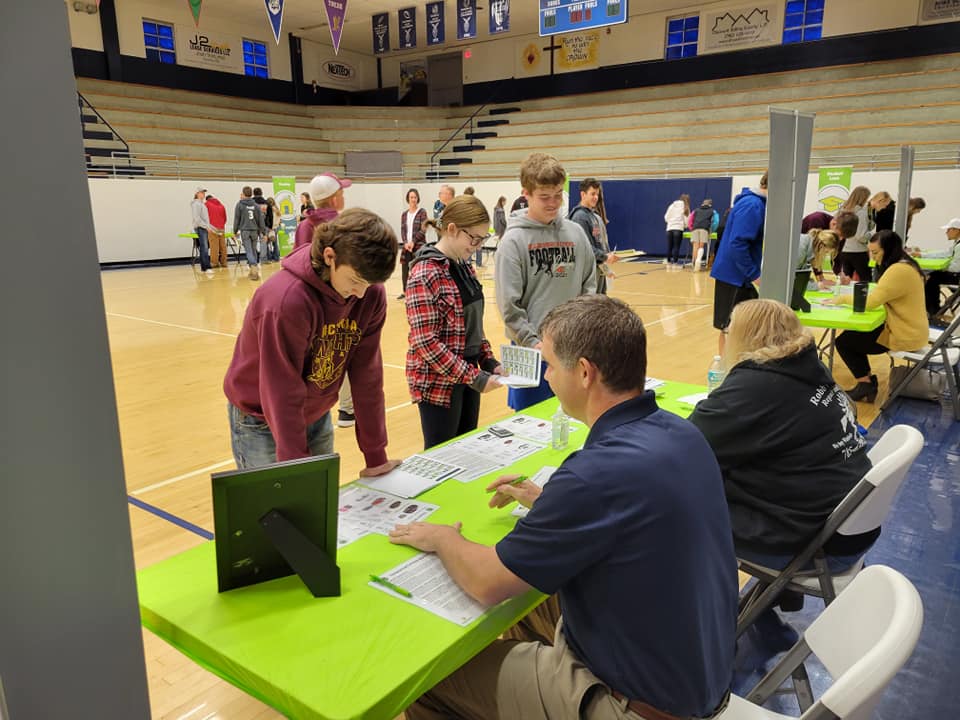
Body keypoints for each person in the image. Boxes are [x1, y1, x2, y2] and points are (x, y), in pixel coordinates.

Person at [392, 295, 737, 720]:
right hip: (701, 675)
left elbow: (487, 582)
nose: (548, 377)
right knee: (532, 608)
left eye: (551, 366)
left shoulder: (593, 475)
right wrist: (548, 502)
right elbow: (633, 518)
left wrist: (444, 538)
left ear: (586, 372)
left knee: (431, 682)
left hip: (638, 704)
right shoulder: (680, 432)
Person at [689, 299, 876, 574]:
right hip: (849, 523)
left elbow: (689, 442)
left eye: (729, 331)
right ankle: (756, 615)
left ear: (743, 337)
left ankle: (715, 615)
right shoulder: (808, 365)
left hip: (815, 543)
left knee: (676, 502)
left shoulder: (757, 387)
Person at [223, 208, 401, 476]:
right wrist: (297, 468)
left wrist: (375, 455)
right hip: (260, 420)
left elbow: (367, 374)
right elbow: (281, 390)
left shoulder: (370, 293)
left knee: (318, 504)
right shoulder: (285, 301)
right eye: (355, 281)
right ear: (330, 256)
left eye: (369, 284)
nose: (361, 294)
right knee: (278, 510)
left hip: (315, 413)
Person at [495, 153, 597, 411]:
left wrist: (581, 331)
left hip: (573, 350)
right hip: (532, 353)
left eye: (558, 195)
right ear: (525, 194)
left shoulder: (575, 233)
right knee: (530, 427)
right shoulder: (513, 241)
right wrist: (535, 343)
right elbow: (509, 305)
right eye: (544, 197)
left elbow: (589, 285)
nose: (553, 203)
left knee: (574, 424)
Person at [405, 196, 504, 449]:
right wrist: (474, 377)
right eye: (475, 238)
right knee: (442, 456)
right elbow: (426, 342)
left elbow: (473, 327)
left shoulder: (464, 267)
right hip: (439, 383)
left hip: (468, 376)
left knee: (466, 452)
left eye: (483, 239)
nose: (479, 245)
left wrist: (488, 360)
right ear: (451, 230)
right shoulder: (425, 272)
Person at [831, 230, 928, 402]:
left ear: (889, 250)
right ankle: (866, 382)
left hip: (905, 334)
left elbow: (871, 302)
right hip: (911, 329)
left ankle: (865, 384)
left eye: (875, 252)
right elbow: (882, 293)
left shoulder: (898, 270)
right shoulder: (907, 265)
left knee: (844, 342)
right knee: (851, 337)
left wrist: (840, 299)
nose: (872, 257)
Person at [709, 171, 768, 352]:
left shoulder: (756, 204)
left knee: (743, 329)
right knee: (730, 329)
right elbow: (738, 243)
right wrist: (754, 275)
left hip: (741, 276)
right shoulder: (753, 205)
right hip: (735, 277)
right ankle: (728, 373)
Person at [569, 178, 620, 294]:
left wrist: (607, 269)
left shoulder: (594, 216)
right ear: (583, 194)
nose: (596, 197)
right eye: (592, 194)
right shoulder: (579, 217)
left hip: (598, 272)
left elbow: (601, 246)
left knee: (600, 305)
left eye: (597, 194)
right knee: (589, 306)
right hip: (587, 275)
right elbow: (584, 248)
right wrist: (606, 257)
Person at [294, 173, 352, 251]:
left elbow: (296, 256)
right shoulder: (343, 225)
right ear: (334, 201)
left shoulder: (302, 226)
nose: (344, 198)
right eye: (341, 194)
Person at [923, 218, 960, 318]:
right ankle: (933, 309)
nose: (946, 232)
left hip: (957, 277)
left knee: (931, 278)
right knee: (932, 275)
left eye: (948, 230)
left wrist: (941, 267)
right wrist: (923, 255)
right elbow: (946, 253)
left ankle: (933, 310)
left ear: (956, 230)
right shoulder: (957, 243)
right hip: (956, 275)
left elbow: (956, 268)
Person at [836, 186, 872, 281]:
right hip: (859, 252)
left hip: (844, 250)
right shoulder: (861, 213)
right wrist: (871, 234)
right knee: (866, 280)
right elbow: (861, 236)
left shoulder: (842, 211)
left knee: (846, 280)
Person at [399, 188, 428, 300]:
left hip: (419, 246)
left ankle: (419, 292)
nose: (413, 199)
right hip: (407, 247)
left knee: (418, 271)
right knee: (405, 270)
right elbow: (403, 231)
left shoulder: (422, 212)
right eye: (411, 197)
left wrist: (413, 242)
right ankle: (405, 292)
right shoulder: (404, 215)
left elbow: (423, 230)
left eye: (415, 197)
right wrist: (406, 243)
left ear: (418, 199)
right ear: (408, 199)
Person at [233, 186, 266, 281]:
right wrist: (264, 232)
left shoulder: (239, 205)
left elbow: (236, 219)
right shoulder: (256, 206)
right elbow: (260, 220)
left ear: (243, 194)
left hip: (245, 231)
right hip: (255, 231)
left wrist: (235, 231)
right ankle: (253, 272)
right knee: (254, 250)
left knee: (249, 251)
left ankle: (254, 267)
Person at [688, 197, 719, 272]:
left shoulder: (696, 210)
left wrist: (691, 228)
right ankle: (699, 260)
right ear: (710, 204)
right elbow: (716, 222)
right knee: (701, 246)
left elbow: (690, 220)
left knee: (695, 245)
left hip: (695, 228)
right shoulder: (713, 211)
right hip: (705, 228)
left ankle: (694, 264)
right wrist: (712, 230)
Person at [190, 187, 214, 276]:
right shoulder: (196, 204)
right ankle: (207, 267)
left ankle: (204, 267)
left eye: (204, 192)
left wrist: (209, 227)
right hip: (201, 228)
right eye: (202, 192)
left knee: (205, 248)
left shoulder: (202, 204)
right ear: (197, 193)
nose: (204, 194)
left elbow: (205, 218)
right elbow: (197, 219)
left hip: (204, 228)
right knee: (204, 248)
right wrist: (205, 227)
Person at [663, 193, 689, 267]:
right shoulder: (686, 207)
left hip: (670, 228)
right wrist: (684, 226)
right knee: (676, 246)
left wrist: (670, 222)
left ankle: (668, 262)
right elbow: (686, 220)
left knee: (669, 246)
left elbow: (666, 217)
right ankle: (675, 262)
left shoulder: (671, 206)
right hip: (678, 229)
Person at [205, 193, 228, 269]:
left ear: (207, 199)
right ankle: (224, 262)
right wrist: (221, 225)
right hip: (221, 228)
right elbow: (225, 218)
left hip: (212, 228)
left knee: (214, 246)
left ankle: (214, 263)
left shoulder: (206, 204)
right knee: (222, 245)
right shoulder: (221, 205)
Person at [266, 197, 282, 261]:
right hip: (276, 228)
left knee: (266, 243)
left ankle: (269, 257)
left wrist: (270, 228)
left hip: (271, 228)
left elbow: (271, 219)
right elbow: (279, 220)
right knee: (275, 243)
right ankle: (276, 257)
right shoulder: (277, 209)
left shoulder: (269, 209)